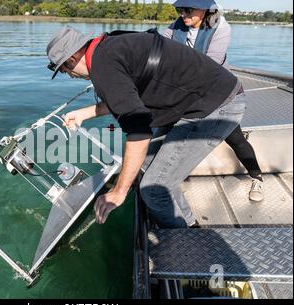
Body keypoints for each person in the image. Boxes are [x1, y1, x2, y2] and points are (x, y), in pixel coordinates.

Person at [46, 26, 246, 228]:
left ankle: (183, 248)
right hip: (199, 99)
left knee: (153, 189)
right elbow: (125, 96)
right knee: (146, 165)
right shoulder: (109, 47)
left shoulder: (103, 67)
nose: (70, 75)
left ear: (71, 59)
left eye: (64, 70)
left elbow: (139, 133)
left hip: (216, 105)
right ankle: (189, 225)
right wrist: (84, 113)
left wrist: (118, 191)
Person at [164, 0, 264, 202]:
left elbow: (210, 65)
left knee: (235, 138)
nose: (182, 13)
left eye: (188, 9)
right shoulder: (175, 26)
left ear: (205, 10)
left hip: (218, 91)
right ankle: (165, 181)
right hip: (184, 90)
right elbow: (160, 47)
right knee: (164, 131)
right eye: (179, 9)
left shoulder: (222, 27)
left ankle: (257, 177)